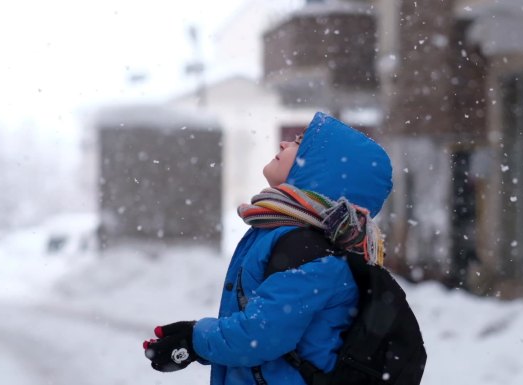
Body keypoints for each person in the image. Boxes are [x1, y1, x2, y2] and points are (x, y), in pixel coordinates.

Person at [143, 111, 393, 385]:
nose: (285, 145)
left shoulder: (308, 248)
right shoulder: (284, 232)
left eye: (299, 143)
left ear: (322, 170)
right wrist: (193, 342)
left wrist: (195, 339)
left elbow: (260, 336)